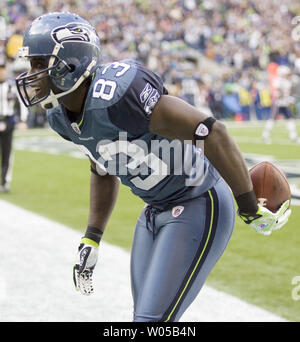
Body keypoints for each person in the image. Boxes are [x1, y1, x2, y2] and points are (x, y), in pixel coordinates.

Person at [15, 12, 291, 322]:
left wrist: (249, 205)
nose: (32, 74)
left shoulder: (119, 94)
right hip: (152, 212)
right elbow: (102, 167)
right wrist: (92, 236)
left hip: (197, 201)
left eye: (40, 64)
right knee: (146, 319)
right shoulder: (60, 117)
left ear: (71, 63)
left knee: (150, 323)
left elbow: (212, 131)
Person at [0, 61, 18, 193]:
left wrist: (22, 120)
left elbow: (21, 105)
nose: (2, 72)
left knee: (7, 154)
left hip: (8, 121)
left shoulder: (12, 87)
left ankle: (4, 182)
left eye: (3, 69)